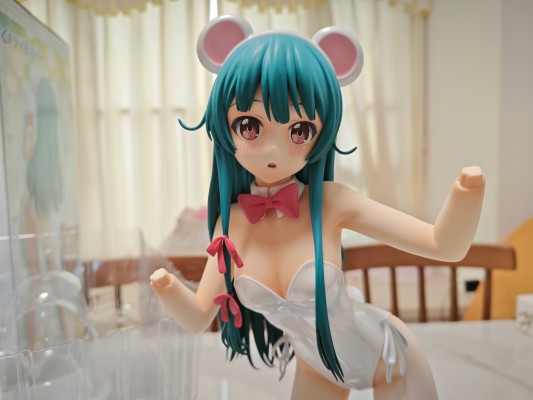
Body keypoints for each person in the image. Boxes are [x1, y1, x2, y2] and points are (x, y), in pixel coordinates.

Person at [151, 15, 484, 399]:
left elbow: (443, 245)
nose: (273, 150)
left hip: (388, 358)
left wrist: (466, 191)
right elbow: (198, 318)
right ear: (225, 126)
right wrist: (166, 287)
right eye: (250, 126)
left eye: (299, 131)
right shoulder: (232, 225)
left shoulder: (331, 202)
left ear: (320, 134)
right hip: (317, 368)